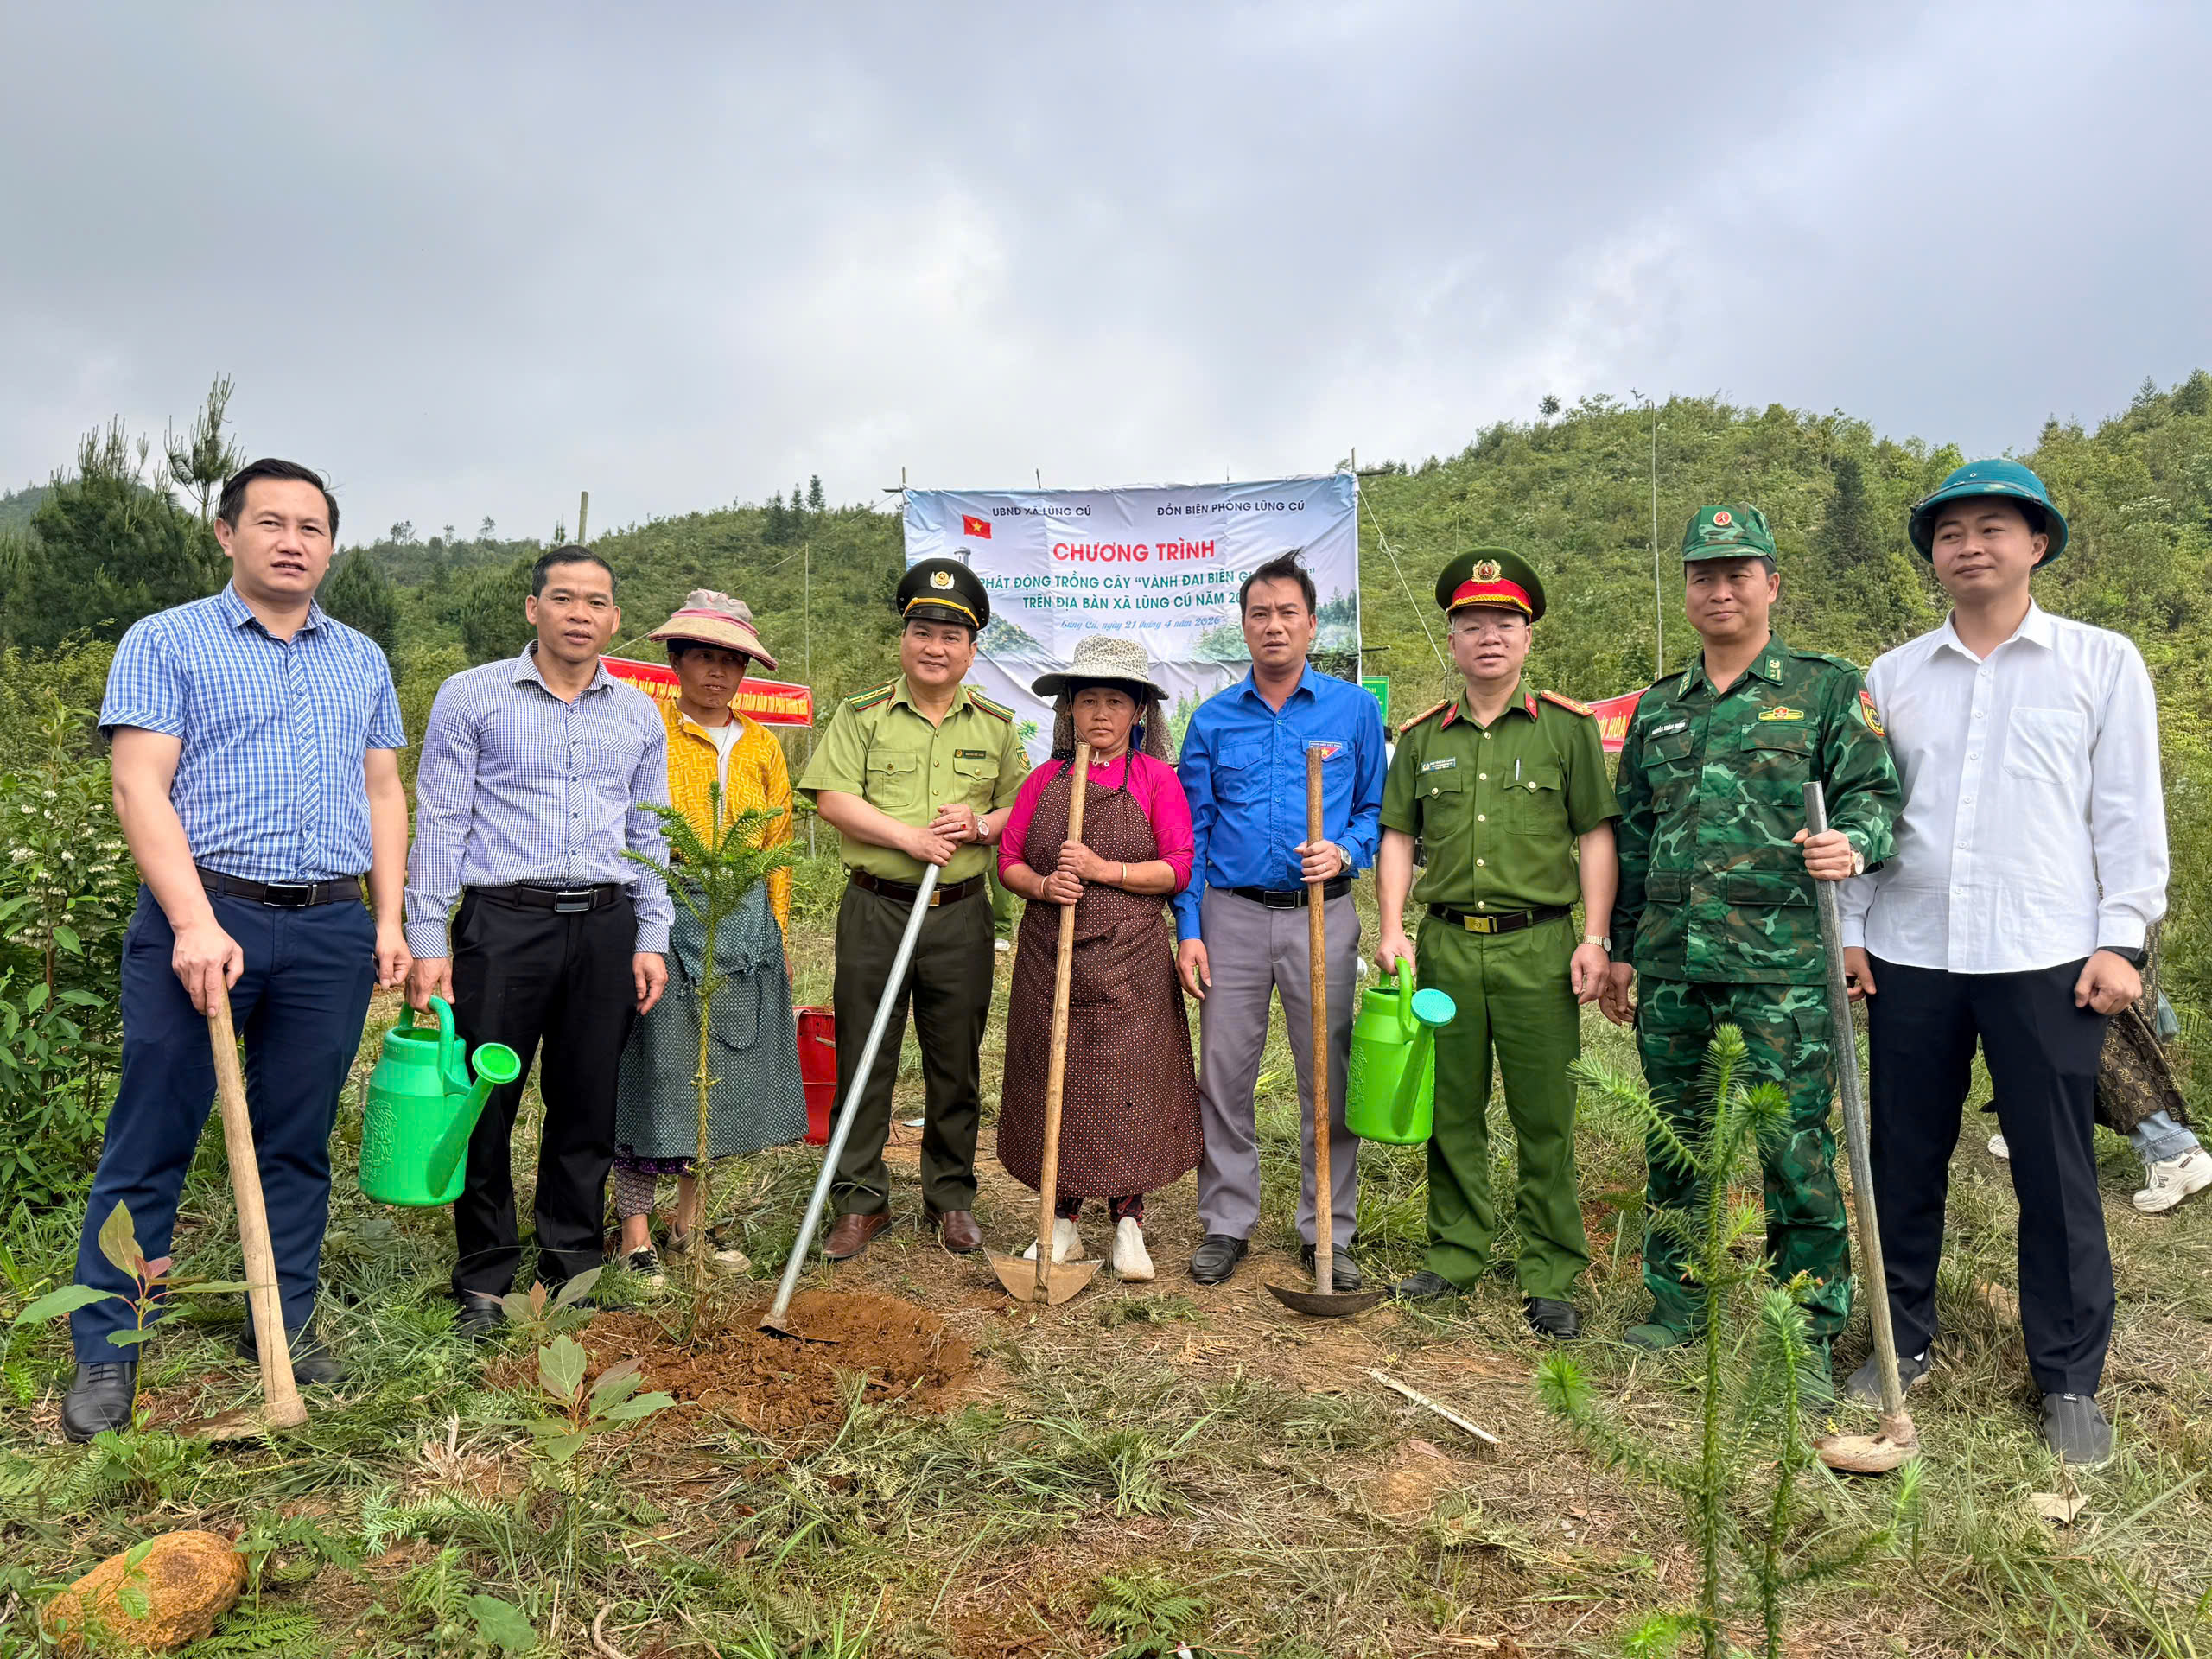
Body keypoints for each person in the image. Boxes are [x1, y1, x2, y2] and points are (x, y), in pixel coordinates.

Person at [64, 459, 410, 1440]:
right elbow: (141, 786)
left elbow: (383, 792)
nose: (292, 541)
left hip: (331, 926)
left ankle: (284, 1321)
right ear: (227, 534)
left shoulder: (361, 660)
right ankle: (110, 1342)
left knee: (297, 1137)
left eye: (311, 526)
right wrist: (190, 920)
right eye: (270, 522)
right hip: (206, 916)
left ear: (331, 546)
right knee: (154, 1132)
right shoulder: (167, 641)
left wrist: (385, 922)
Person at [1838, 460, 2168, 1466]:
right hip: (1910, 951)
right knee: (1902, 1157)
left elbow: (2125, 809)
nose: (1968, 546)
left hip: (2046, 954)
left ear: (2036, 544)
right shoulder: (1890, 677)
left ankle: (2067, 1378)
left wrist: (2123, 937)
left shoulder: (2098, 662)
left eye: (1991, 528)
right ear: (1931, 556)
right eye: (1949, 533)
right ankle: (1902, 1342)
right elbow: (1869, 811)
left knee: (2057, 1169)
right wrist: (1849, 926)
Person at [1600, 505, 1899, 1392]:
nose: (1719, 590)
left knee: (1794, 1148)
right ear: (1685, 589)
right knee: (1676, 1139)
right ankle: (1676, 1301)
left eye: (1738, 573)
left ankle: (1801, 1327)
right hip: (1673, 967)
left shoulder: (1824, 690)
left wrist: (1853, 843)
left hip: (1783, 972)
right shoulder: (1657, 708)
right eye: (1702, 575)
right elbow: (1635, 841)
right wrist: (1621, 950)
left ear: (1772, 583)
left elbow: (1877, 800)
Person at [404, 547, 672, 1337]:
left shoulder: (636, 712)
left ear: (615, 619)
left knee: (586, 1099)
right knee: (487, 1099)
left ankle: (572, 1267)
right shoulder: (472, 697)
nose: (579, 614)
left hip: (605, 921)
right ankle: (484, 1277)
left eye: (596, 602)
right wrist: (429, 936)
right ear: (533, 609)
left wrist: (649, 933)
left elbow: (649, 832)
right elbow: (442, 820)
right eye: (563, 598)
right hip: (502, 923)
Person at [1375, 550, 1618, 1338]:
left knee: (1546, 1112)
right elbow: (1399, 840)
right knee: (1453, 1108)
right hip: (1445, 949)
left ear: (1527, 636)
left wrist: (1597, 936)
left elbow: (1594, 837)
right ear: (1452, 639)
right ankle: (1455, 1253)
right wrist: (1390, 930)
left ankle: (1550, 1268)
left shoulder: (1568, 732)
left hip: (1539, 949)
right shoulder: (1420, 740)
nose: (1489, 637)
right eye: (1472, 624)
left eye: (1504, 623)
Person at [795, 558, 1030, 1260]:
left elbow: (1021, 806)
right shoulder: (862, 715)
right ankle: (860, 1199)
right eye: (923, 632)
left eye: (951, 637)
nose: (936, 647)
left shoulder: (995, 726)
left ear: (971, 649)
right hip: (876, 908)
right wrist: (911, 839)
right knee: (866, 1055)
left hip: (959, 914)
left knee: (954, 1062)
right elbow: (833, 798)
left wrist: (983, 826)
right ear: (905, 638)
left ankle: (951, 1196)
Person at [1175, 553, 1388, 1288]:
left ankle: (1327, 1228)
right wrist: (1190, 928)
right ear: (1243, 626)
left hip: (1320, 918)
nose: (1273, 626)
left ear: (1311, 623)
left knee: (1325, 1075)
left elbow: (1376, 813)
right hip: (1230, 916)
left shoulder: (1353, 711)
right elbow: (1193, 835)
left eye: (1287, 613)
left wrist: (1346, 851)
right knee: (1224, 1074)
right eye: (1259, 614)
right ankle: (1227, 1221)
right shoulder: (1212, 720)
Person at [612, 592, 806, 1287]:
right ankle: (634, 1231)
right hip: (664, 906)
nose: (717, 674)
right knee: (654, 1069)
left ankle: (690, 1222)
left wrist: (775, 931)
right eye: (703, 658)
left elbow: (778, 842)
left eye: (730, 661)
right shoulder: (645, 727)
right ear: (675, 662)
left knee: (721, 1074)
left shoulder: (761, 747)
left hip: (743, 915)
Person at [995, 636, 1201, 1281]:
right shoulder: (1043, 781)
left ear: (1139, 710)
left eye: (1115, 700)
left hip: (1130, 958)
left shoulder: (1156, 781)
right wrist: (1043, 885)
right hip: (1049, 956)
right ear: (1069, 710)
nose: (1101, 714)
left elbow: (1178, 868)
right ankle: (1059, 1223)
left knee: (1128, 1085)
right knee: (1049, 1078)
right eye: (1088, 701)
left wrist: (1103, 869)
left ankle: (1129, 1223)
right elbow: (1008, 861)